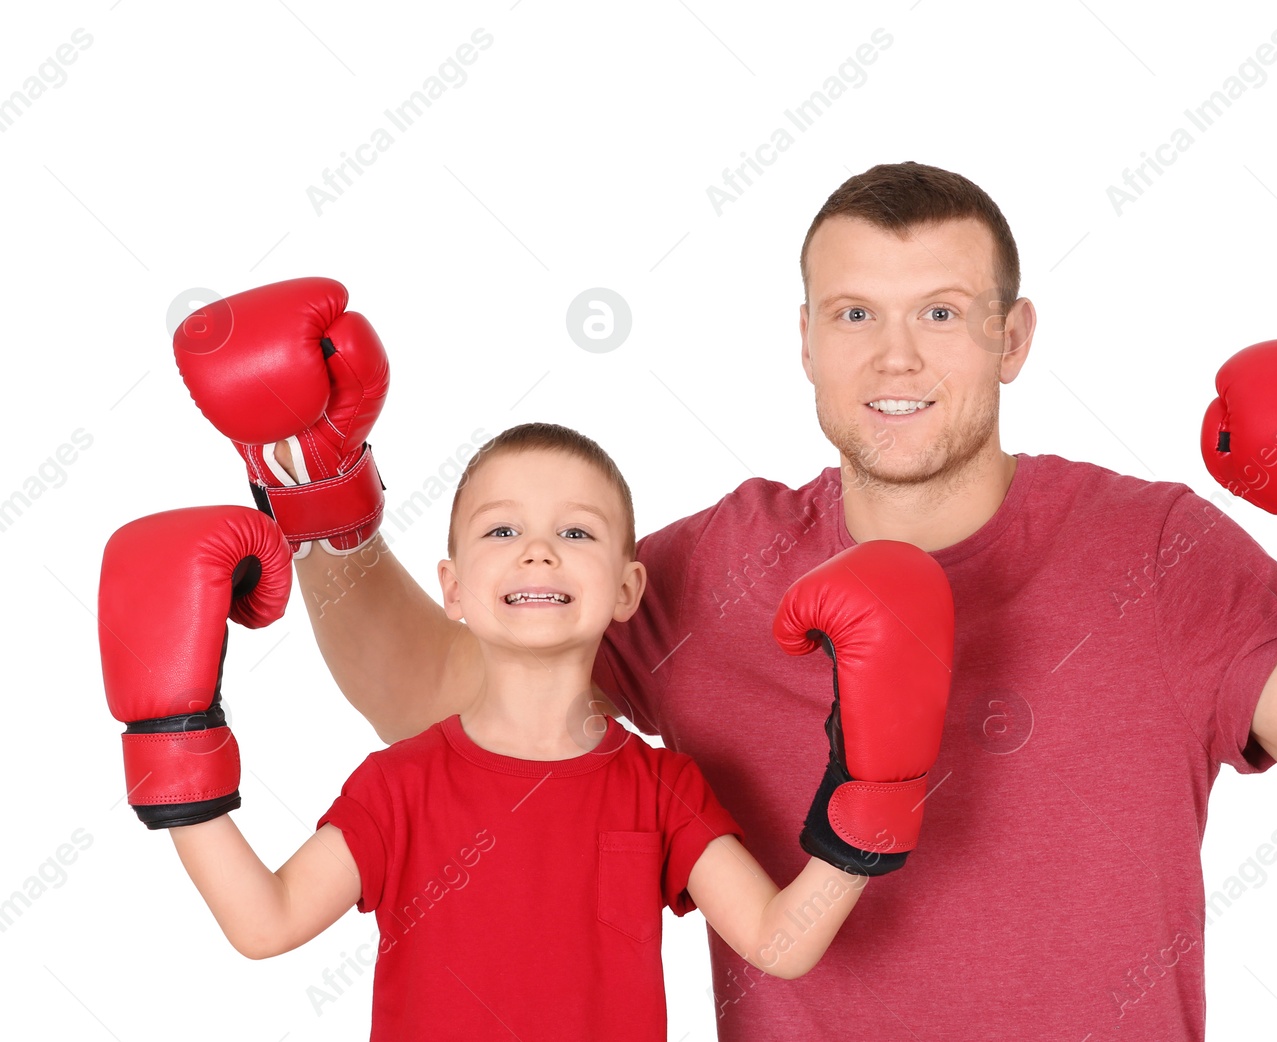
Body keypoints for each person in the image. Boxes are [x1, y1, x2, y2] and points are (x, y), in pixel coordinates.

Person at [172, 162, 1277, 1040]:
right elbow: (441, 710)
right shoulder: (705, 568)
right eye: (853, 315)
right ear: (806, 337)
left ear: (1012, 338)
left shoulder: (1156, 554)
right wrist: (325, 503)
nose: (896, 355)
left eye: (943, 314)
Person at [96, 424, 955, 1041]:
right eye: (502, 530)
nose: (538, 553)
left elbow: (777, 942)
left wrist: (870, 801)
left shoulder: (663, 787)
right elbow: (267, 923)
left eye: (574, 532)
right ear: (454, 587)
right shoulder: (398, 785)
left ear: (625, 591)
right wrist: (173, 741)